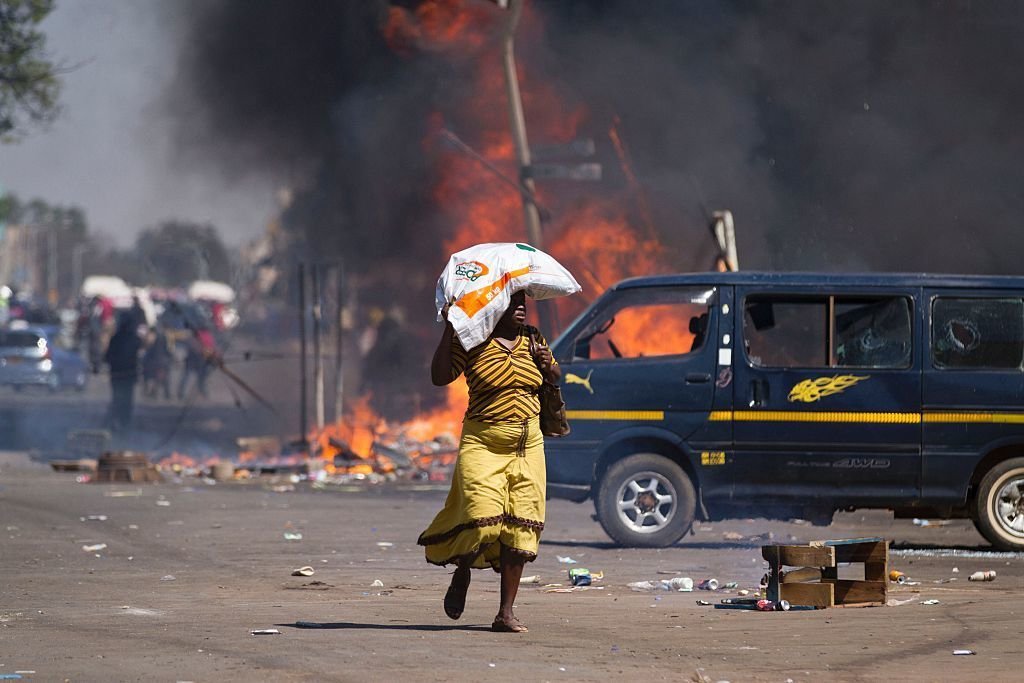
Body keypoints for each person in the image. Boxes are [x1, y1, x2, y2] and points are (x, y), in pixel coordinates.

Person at [417, 290, 560, 633]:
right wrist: (451, 328)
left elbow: (554, 377)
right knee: (482, 519)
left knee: (521, 527)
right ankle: (463, 569)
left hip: (528, 445)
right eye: (513, 302)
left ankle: (505, 613)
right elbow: (440, 376)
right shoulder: (473, 339)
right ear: (495, 306)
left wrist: (548, 366)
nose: (522, 307)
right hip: (483, 442)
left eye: (524, 301)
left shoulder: (533, 339)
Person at [104, 313, 142, 432]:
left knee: (118, 399)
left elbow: (107, 357)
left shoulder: (116, 338)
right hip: (126, 376)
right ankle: (122, 422)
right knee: (126, 400)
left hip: (120, 375)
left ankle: (119, 422)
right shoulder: (134, 339)